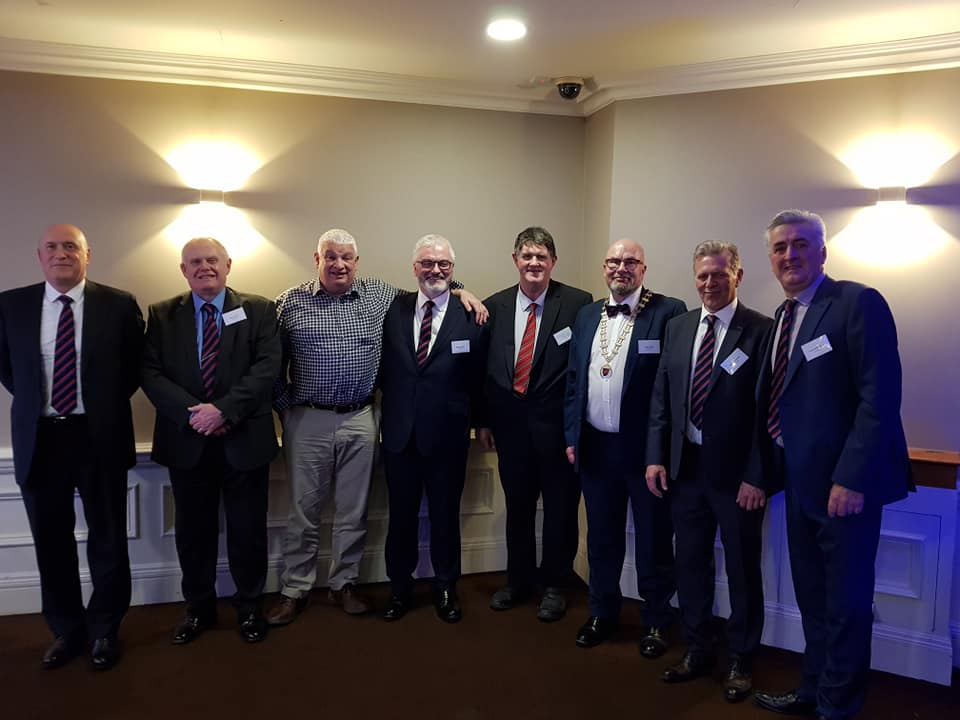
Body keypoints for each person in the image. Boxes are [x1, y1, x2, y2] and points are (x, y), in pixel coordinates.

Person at [268, 229, 485, 625]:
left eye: (347, 257)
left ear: (357, 262)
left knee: (354, 511)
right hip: (309, 418)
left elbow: (434, 284)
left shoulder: (380, 296)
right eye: (330, 257)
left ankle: (344, 584)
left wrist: (460, 290)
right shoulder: (290, 302)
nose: (339, 264)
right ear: (317, 259)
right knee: (304, 510)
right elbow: (270, 362)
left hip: (362, 418)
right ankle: (295, 589)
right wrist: (286, 410)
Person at [752, 210, 912, 720]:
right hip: (800, 487)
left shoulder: (857, 303)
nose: (790, 255)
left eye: (801, 244)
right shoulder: (782, 317)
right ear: (771, 258)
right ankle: (813, 690)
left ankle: (837, 706)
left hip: (845, 491)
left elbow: (879, 398)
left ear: (822, 252)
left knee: (845, 605)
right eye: (780, 247)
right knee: (813, 599)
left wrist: (851, 478)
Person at [0, 224, 143, 670]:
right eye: (52, 247)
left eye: (70, 247)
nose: (61, 253)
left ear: (87, 255)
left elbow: (133, 369)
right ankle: (66, 629)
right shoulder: (11, 305)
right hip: (41, 438)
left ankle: (105, 630)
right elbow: (9, 370)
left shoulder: (118, 304)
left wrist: (97, 405)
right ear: (39, 256)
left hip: (98, 436)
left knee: (108, 538)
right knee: (51, 540)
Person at [645, 241, 772, 702]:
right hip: (686, 470)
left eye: (719, 274)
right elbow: (662, 397)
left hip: (738, 478)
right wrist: (656, 456)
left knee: (742, 569)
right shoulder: (679, 327)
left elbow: (768, 412)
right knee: (690, 563)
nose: (709, 283)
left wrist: (757, 475)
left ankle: (741, 657)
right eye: (702, 275)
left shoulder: (761, 330)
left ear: (738, 276)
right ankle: (697, 648)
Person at [142, 237, 281, 646]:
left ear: (228, 265)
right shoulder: (162, 314)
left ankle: (250, 608)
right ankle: (198, 609)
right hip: (187, 442)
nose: (205, 267)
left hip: (245, 440)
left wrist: (223, 410)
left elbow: (268, 367)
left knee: (248, 532)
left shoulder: (259, 309)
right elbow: (150, 373)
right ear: (183, 270)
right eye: (195, 262)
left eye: (212, 260)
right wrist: (196, 415)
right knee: (193, 534)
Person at [564, 239, 686, 651]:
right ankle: (602, 612)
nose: (621, 268)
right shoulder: (586, 314)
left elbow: (673, 388)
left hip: (645, 453)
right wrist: (572, 436)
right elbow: (575, 381)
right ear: (604, 267)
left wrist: (660, 451)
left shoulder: (668, 311)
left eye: (631, 261)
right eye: (614, 261)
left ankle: (656, 620)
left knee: (654, 539)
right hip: (595, 448)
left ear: (643, 269)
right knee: (602, 538)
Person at [477, 226, 591, 622]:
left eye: (542, 256)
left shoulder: (577, 303)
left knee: (560, 511)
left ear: (553, 261)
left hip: (559, 434)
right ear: (515, 260)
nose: (534, 263)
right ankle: (518, 581)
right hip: (510, 432)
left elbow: (582, 369)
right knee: (519, 510)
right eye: (527, 256)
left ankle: (556, 585)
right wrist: (484, 421)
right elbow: (484, 372)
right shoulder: (495, 306)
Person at [379, 235, 485, 624]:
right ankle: (399, 588)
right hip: (400, 436)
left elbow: (480, 379)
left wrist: (481, 422)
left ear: (453, 269)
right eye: (427, 263)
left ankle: (445, 586)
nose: (435, 270)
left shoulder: (472, 314)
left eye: (443, 264)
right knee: (401, 518)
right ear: (414, 268)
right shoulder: (392, 308)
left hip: (448, 438)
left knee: (444, 517)